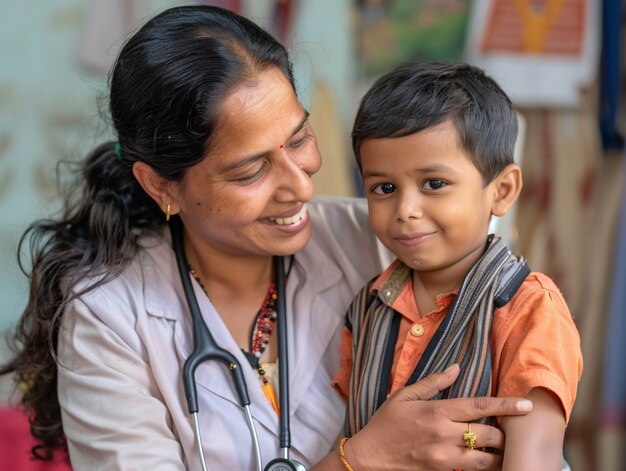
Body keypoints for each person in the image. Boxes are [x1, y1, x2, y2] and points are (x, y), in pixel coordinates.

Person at [0, 7, 535, 471]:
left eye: (298, 138)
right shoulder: (109, 317)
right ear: (162, 185)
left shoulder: (385, 241)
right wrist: (361, 460)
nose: (302, 185)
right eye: (251, 171)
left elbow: (517, 416)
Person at [333, 60, 583, 470]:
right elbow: (352, 433)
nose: (405, 209)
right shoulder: (366, 307)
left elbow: (535, 456)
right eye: (384, 188)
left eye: (434, 184)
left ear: (501, 191)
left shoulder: (527, 307)